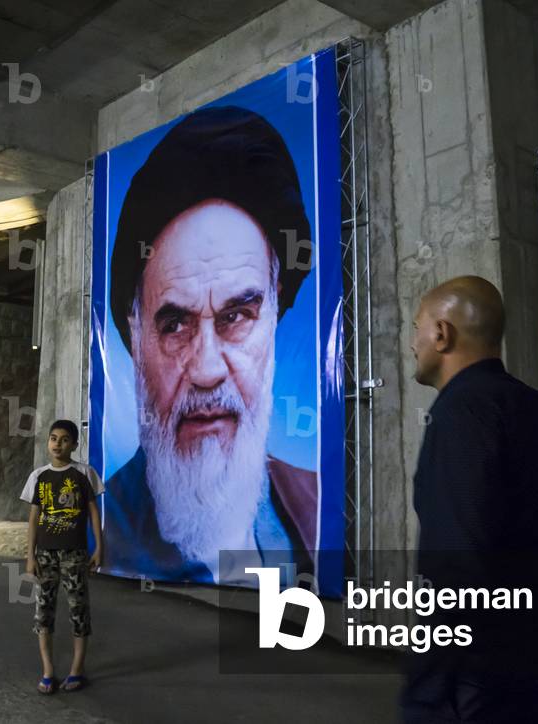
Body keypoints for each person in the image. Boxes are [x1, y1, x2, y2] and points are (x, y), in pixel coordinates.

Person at [103, 105, 318, 584]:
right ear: (135, 336)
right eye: (175, 324)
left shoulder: (317, 504)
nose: (206, 370)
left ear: (274, 316)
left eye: (236, 316)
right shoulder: (104, 525)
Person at [402, 276, 538, 723]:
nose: (413, 343)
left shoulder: (460, 415)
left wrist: (428, 691)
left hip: (503, 690)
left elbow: (457, 567)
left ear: (442, 334)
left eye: (416, 328)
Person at [19, 420, 103, 694]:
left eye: (65, 439)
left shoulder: (83, 473)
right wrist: (29, 555)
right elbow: (33, 520)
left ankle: (77, 670)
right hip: (45, 555)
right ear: (48, 443)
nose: (58, 444)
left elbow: (93, 513)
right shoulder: (39, 476)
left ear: (75, 445)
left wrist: (99, 547)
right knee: (44, 613)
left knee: (79, 611)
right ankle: (48, 671)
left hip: (75, 554)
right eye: (53, 438)